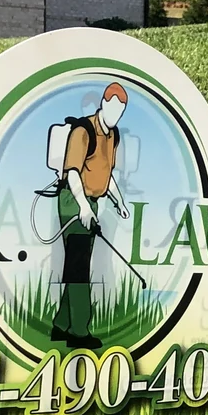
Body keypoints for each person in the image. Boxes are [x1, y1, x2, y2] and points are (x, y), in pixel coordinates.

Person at [51, 83, 128, 349]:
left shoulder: (113, 136)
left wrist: (118, 201)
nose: (115, 115)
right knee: (79, 266)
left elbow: (107, 174)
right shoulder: (83, 131)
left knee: (78, 262)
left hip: (93, 202)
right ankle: (79, 331)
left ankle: (60, 325)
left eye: (121, 111)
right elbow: (73, 172)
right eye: (112, 108)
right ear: (104, 104)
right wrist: (83, 206)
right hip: (73, 200)